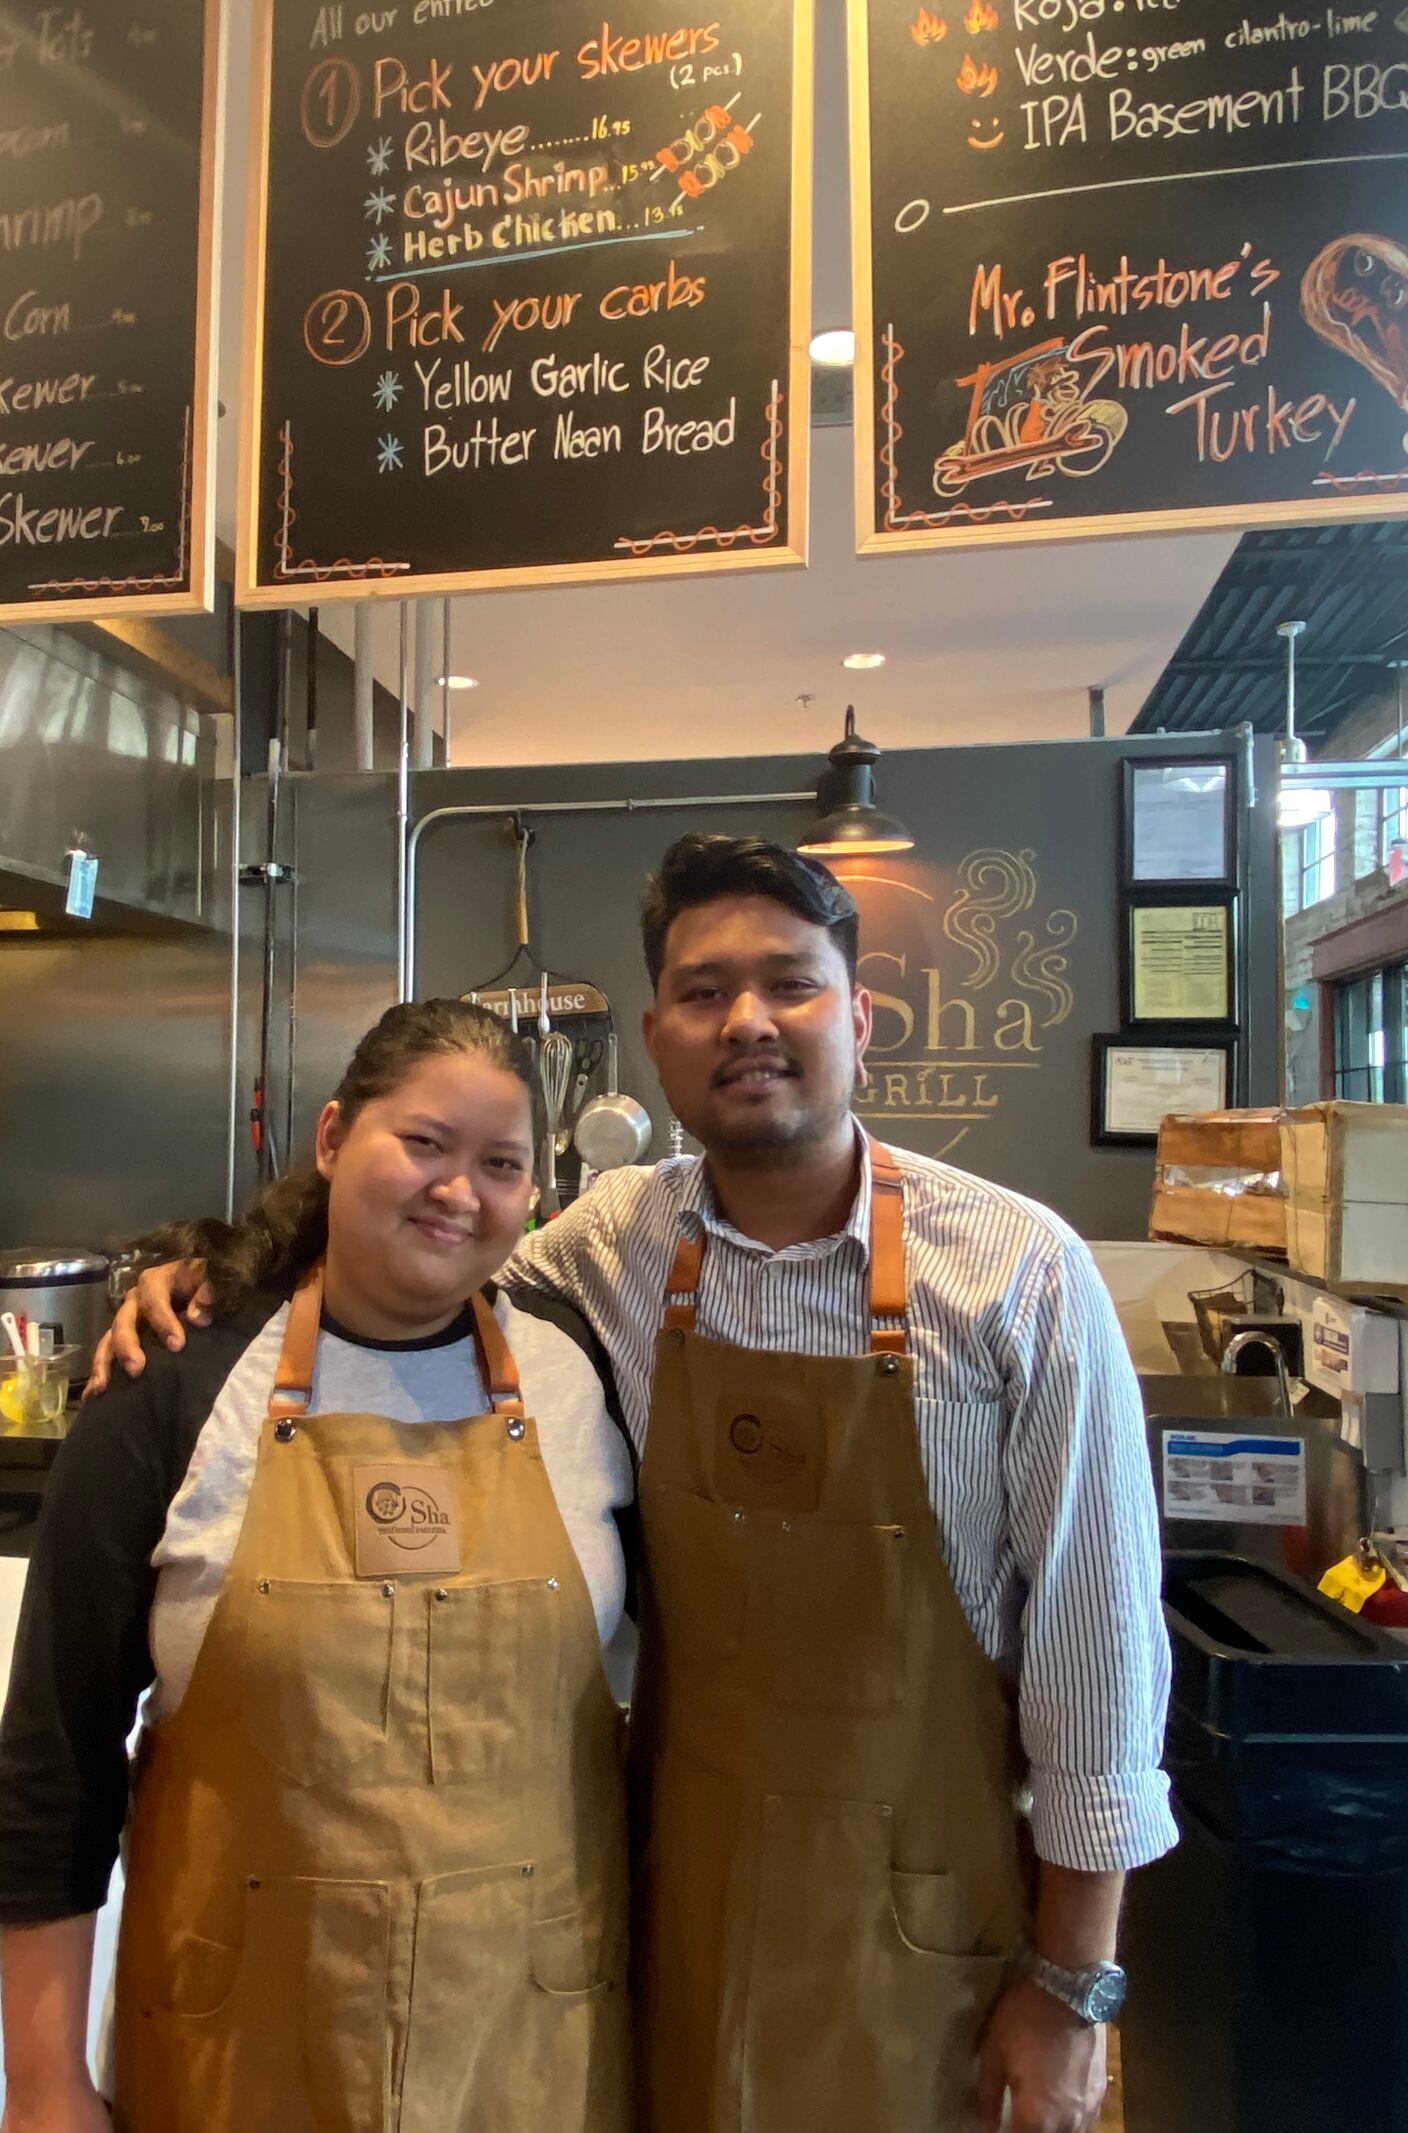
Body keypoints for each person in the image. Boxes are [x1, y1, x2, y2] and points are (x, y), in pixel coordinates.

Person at [96, 835, 1175, 2133]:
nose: (751, 1023)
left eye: (792, 984)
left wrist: (1071, 1988)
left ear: (864, 1016)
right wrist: (217, 1273)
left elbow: (1099, 1670)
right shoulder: (616, 1236)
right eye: (707, 992)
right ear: (661, 1038)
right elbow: (421, 1250)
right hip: (666, 1927)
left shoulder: (1023, 1277)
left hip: (936, 1946)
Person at [0, 1000, 635, 2133]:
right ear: (331, 1140)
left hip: (529, 2053)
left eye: (501, 1164)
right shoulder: (174, 1380)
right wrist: (41, 2085)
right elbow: (55, 1755)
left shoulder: (579, 1374)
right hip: (236, 2051)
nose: (458, 1190)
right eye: (422, 1143)